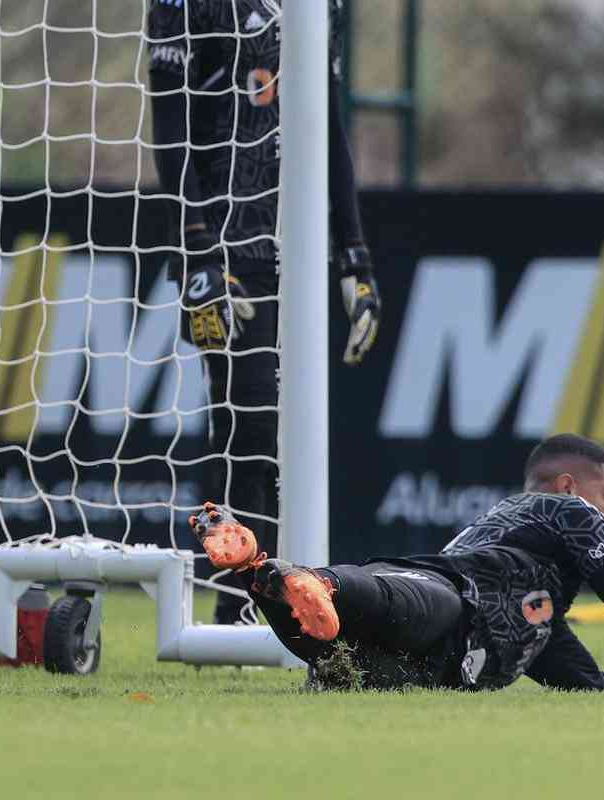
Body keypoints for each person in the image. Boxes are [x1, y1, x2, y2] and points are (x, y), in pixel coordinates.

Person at [189, 434, 604, 690]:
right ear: (570, 488)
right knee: (406, 601)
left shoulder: (538, 608)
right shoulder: (562, 513)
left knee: (341, 660)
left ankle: (267, 578)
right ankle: (305, 577)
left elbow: (589, 689)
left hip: (426, 670)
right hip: (441, 597)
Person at [147, 0, 380, 623]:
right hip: (227, 248)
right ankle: (236, 609)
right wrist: (195, 248)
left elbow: (328, 125)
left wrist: (353, 257)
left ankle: (264, 604)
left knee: (285, 435)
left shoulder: (319, 6)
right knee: (248, 428)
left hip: (298, 250)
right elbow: (171, 124)